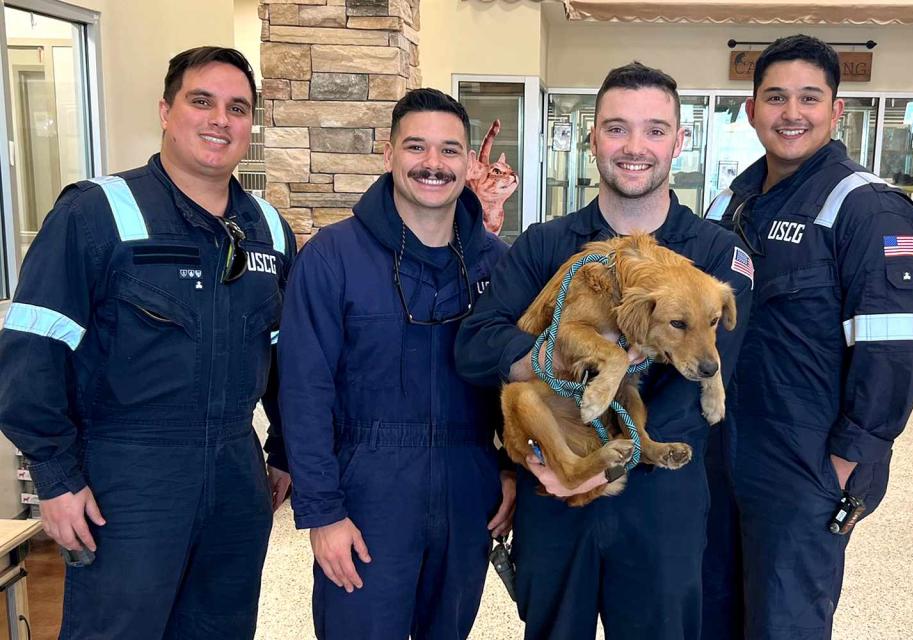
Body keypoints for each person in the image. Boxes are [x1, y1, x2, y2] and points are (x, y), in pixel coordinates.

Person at [0, 47, 295, 639]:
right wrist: (55, 477)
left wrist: (285, 448)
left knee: (221, 626)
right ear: (166, 110)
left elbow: (289, 355)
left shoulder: (268, 227)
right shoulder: (96, 212)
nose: (220, 119)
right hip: (128, 474)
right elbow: (32, 352)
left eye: (237, 108)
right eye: (201, 101)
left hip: (236, 469)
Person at [455, 62, 753, 640]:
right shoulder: (546, 245)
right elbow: (476, 344)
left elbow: (710, 373)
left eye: (655, 130)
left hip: (662, 498)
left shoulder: (716, 257)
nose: (635, 147)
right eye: (616, 128)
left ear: (679, 141)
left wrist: (620, 444)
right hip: (555, 487)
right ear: (592, 139)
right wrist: (555, 365)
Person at [703, 34, 913, 638]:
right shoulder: (734, 202)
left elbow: (898, 352)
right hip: (722, 451)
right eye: (775, 97)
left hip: (806, 462)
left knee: (785, 620)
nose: (791, 112)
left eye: (810, 97)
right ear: (751, 110)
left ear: (836, 111)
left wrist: (846, 460)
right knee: (710, 610)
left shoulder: (867, 209)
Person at [278, 88, 514, 640]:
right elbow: (304, 392)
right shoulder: (333, 257)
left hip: (467, 487)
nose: (433, 164)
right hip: (367, 493)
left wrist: (511, 471)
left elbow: (519, 383)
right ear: (389, 154)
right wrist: (322, 513)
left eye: (450, 150)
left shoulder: (499, 266)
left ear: (470, 163)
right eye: (416, 147)